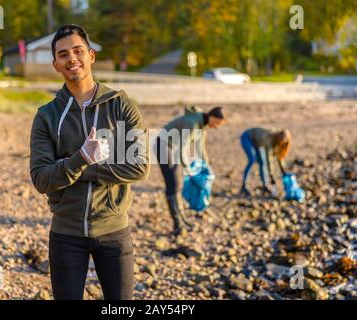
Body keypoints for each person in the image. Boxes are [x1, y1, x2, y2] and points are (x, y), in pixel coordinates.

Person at [29, 24, 149, 300]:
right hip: (66, 233)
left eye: (78, 50)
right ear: (56, 65)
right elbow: (41, 179)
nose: (71, 58)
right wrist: (81, 157)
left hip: (114, 230)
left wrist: (78, 167)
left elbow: (139, 166)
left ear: (91, 56)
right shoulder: (47, 116)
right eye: (63, 54)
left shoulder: (121, 105)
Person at [155, 106, 226, 236]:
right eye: (216, 123)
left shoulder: (202, 126)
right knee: (173, 185)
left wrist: (207, 167)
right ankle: (177, 224)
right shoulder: (193, 123)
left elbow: (201, 148)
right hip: (164, 145)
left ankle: (183, 219)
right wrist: (188, 168)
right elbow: (182, 148)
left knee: (179, 185)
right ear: (212, 117)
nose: (216, 127)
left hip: (172, 148)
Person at [240, 127, 291, 196]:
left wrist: (283, 171)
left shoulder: (278, 141)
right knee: (252, 160)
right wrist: (272, 176)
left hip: (258, 142)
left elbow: (279, 157)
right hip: (247, 137)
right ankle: (244, 185)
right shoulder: (269, 140)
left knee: (262, 163)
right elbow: (269, 160)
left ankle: (265, 186)